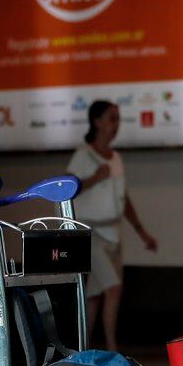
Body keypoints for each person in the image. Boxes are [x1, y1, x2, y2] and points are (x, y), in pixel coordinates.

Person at [67, 100, 157, 352]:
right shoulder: (83, 155)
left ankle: (82, 347)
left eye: (118, 119)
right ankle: (111, 347)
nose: (115, 124)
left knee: (95, 295)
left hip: (113, 232)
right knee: (113, 288)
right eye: (111, 118)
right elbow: (67, 189)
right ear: (96, 122)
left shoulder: (116, 157)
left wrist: (142, 232)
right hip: (89, 232)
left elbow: (123, 198)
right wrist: (95, 178)